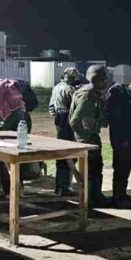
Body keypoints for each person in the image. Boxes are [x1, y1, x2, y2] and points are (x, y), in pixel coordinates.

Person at [69, 65, 110, 207]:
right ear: (97, 79)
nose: (106, 82)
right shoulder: (87, 95)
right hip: (87, 139)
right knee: (90, 170)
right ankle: (90, 200)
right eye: (104, 79)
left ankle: (96, 195)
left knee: (96, 167)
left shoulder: (93, 93)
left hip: (91, 136)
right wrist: (85, 137)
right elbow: (74, 120)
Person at [106, 65, 131, 208]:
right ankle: (118, 198)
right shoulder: (116, 92)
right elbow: (117, 119)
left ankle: (122, 194)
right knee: (121, 167)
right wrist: (124, 139)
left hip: (128, 136)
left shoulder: (124, 90)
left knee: (126, 167)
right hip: (122, 138)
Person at [49, 67, 81, 196]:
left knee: (62, 155)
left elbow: (51, 107)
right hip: (67, 120)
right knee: (70, 155)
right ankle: (65, 187)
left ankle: (59, 186)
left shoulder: (56, 87)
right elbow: (76, 107)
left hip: (59, 120)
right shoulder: (70, 89)